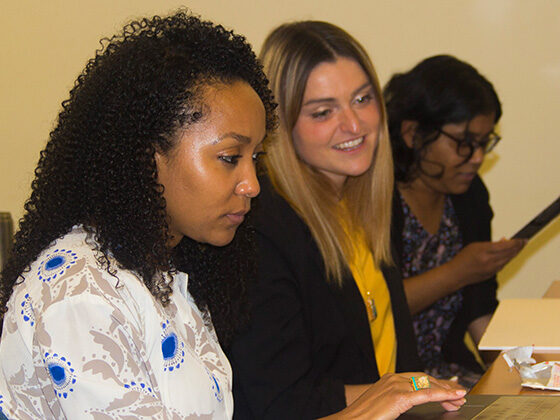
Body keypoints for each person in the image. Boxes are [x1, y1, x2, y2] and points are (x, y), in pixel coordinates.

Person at [0, 11, 277, 419]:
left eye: (255, 158)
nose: (251, 184)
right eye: (229, 157)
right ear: (148, 154)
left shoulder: (162, 275)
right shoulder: (78, 292)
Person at [228, 22, 466, 420]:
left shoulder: (368, 200)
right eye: (323, 112)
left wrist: (423, 395)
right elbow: (282, 400)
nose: (354, 125)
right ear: (280, 126)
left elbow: (394, 354)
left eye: (362, 99)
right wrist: (407, 392)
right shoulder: (260, 229)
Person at [384, 55, 525, 387]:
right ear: (412, 133)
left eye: (484, 143)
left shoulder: (468, 196)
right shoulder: (376, 197)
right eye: (464, 143)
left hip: (451, 374)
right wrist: (458, 272)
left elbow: (480, 310)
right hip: (389, 383)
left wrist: (519, 376)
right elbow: (372, 308)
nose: (477, 158)